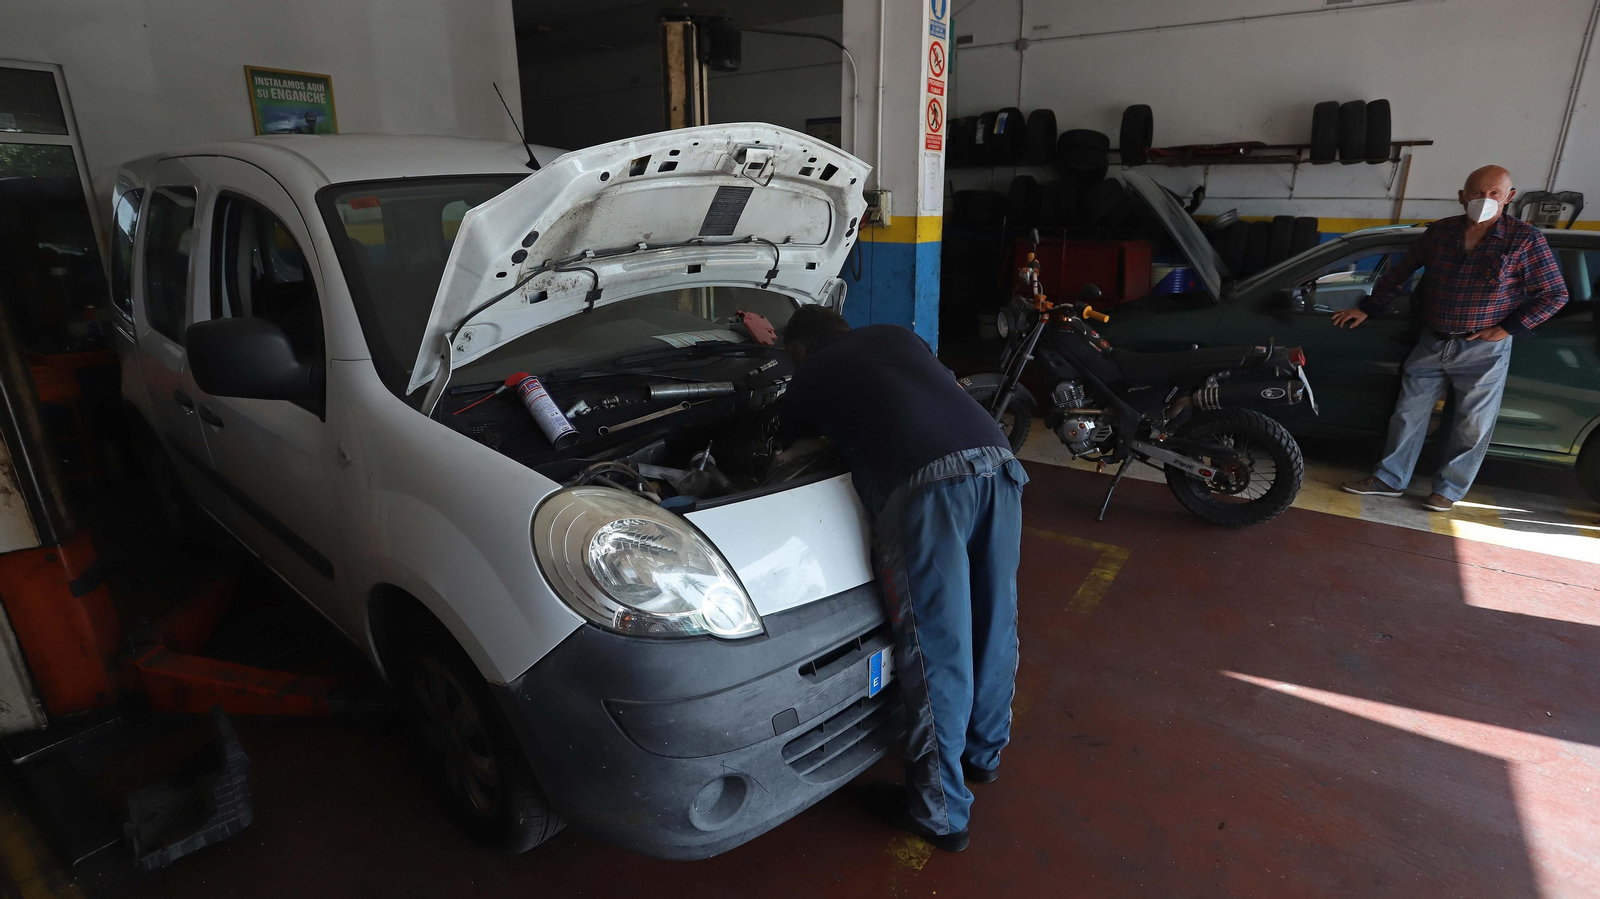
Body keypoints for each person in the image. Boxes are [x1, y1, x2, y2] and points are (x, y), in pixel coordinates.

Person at [779, 306, 1027, 853]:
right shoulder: (894, 335)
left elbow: (775, 443)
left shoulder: (810, 372)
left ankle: (940, 815)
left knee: (937, 648)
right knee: (994, 622)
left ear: (797, 350)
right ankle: (983, 755)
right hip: (998, 463)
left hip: (928, 486)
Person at [1334, 165, 1568, 512]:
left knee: (1472, 424)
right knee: (1408, 414)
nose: (1485, 199)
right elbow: (1400, 272)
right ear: (1462, 196)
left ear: (1509, 197)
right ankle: (1389, 479)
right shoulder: (1440, 233)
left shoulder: (1524, 239)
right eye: (1477, 193)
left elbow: (1554, 294)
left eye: (1494, 193)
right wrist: (1368, 307)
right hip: (1433, 340)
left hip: (1484, 349)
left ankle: (1448, 490)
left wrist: (1507, 329)